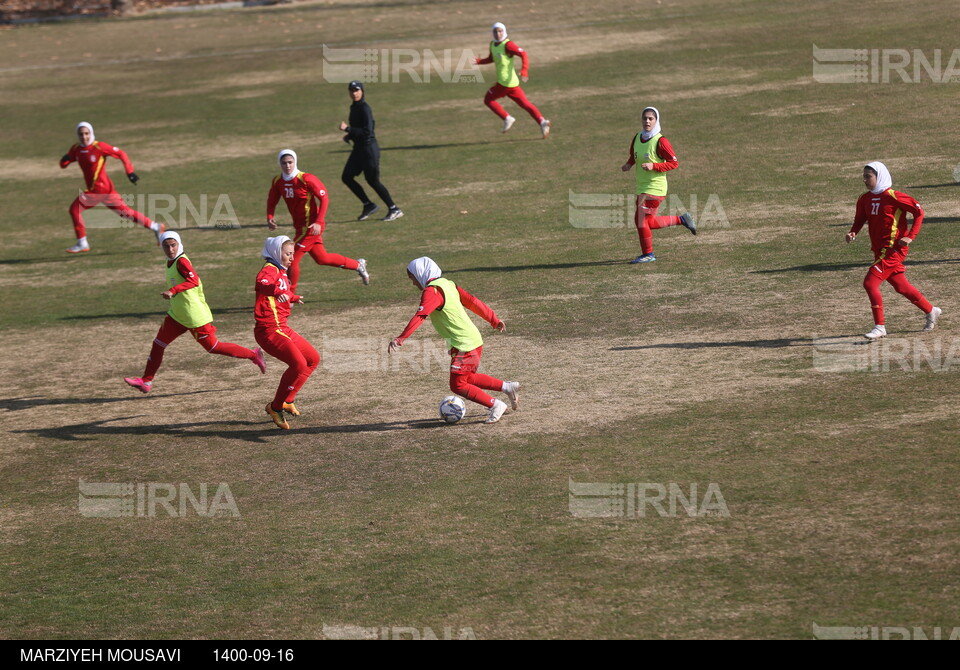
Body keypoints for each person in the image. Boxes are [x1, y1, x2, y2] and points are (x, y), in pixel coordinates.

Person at [123, 231, 266, 394]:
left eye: (173, 245)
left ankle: (253, 355)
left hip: (193, 316)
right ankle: (146, 381)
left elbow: (194, 280)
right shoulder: (170, 261)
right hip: (177, 314)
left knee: (213, 347)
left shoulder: (181, 261)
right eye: (166, 246)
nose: (170, 249)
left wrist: (173, 290)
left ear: (179, 244)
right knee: (158, 344)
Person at [388, 257, 520, 424]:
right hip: (471, 340)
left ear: (420, 273)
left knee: (457, 385)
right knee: (467, 379)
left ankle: (495, 405)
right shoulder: (448, 284)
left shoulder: (432, 291)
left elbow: (420, 316)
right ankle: (508, 387)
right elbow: (473, 301)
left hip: (465, 344)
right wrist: (493, 319)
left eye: (412, 278)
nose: (413, 283)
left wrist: (401, 339)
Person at [846, 162, 941, 340]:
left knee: (870, 283)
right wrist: (853, 232)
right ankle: (931, 310)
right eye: (864, 176)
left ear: (879, 176)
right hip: (878, 250)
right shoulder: (864, 199)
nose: (865, 180)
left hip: (893, 250)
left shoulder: (894, 196)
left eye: (869, 176)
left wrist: (911, 236)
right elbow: (860, 219)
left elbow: (919, 212)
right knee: (901, 286)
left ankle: (879, 326)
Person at [267, 149, 369, 291]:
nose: (288, 166)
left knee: (291, 258)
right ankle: (358, 265)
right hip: (299, 227)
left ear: (295, 162)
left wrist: (319, 222)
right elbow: (272, 199)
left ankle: (289, 297)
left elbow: (324, 198)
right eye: (284, 163)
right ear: (280, 164)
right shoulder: (278, 181)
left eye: (290, 162)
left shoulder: (306, 178)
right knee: (322, 258)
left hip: (311, 227)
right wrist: (270, 216)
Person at [59, 121, 165, 253]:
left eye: (87, 133)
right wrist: (65, 159)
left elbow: (121, 153)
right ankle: (155, 226)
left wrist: (130, 172)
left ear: (91, 133)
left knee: (75, 210)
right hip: (106, 189)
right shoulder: (76, 149)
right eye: (81, 134)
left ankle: (82, 242)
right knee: (125, 213)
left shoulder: (99, 147)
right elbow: (63, 165)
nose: (84, 137)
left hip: (98, 189)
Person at [255, 236, 320, 430]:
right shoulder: (269, 270)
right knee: (298, 364)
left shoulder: (281, 271)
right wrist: (276, 291)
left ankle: (287, 400)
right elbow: (262, 285)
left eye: (292, 254)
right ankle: (275, 407)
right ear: (276, 253)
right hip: (269, 330)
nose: (291, 258)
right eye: (287, 254)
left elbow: (283, 291)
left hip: (282, 327)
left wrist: (293, 297)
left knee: (312, 359)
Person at [620, 107, 697, 263]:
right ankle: (682, 219)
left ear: (656, 121)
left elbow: (674, 163)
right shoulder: (637, 137)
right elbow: (634, 155)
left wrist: (654, 166)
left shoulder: (661, 141)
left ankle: (648, 254)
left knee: (641, 221)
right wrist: (628, 164)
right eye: (645, 118)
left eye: (651, 119)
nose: (647, 121)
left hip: (655, 187)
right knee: (647, 222)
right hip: (641, 187)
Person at [339, 81, 404, 222]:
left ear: (362, 91)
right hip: (358, 150)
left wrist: (348, 129)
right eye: (351, 90)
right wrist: (349, 136)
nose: (354, 93)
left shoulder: (364, 108)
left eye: (357, 90)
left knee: (373, 180)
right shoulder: (354, 107)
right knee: (347, 176)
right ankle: (368, 205)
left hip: (369, 149)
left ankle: (394, 208)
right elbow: (359, 128)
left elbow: (368, 131)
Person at [473, 22, 550, 138]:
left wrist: (524, 70)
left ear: (504, 31)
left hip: (505, 83)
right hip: (512, 84)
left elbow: (523, 54)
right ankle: (542, 122)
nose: (498, 34)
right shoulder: (493, 44)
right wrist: (480, 61)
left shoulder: (508, 45)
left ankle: (507, 118)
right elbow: (491, 58)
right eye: (495, 31)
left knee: (488, 99)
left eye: (500, 31)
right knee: (525, 104)